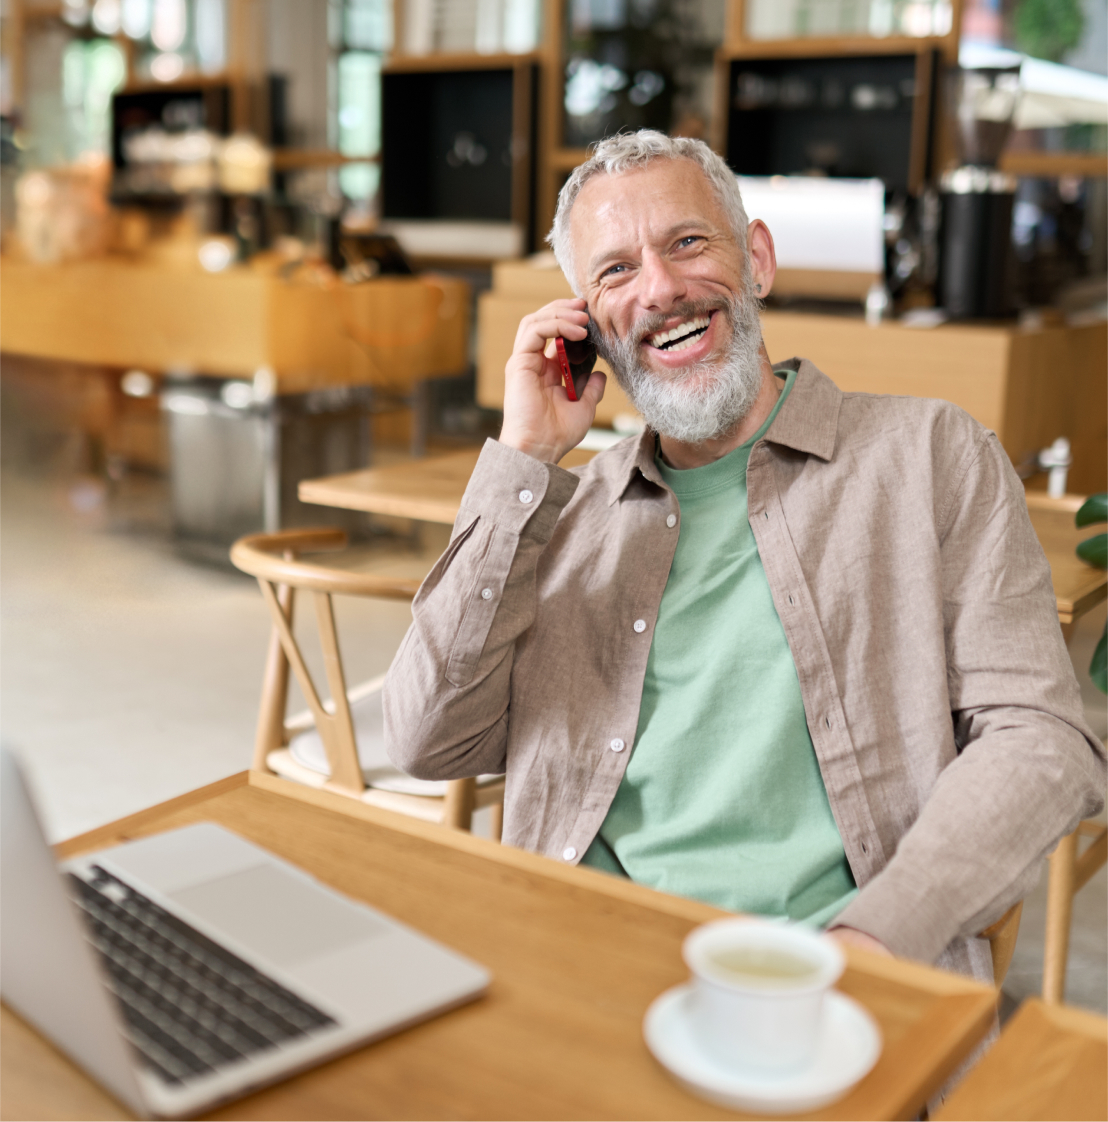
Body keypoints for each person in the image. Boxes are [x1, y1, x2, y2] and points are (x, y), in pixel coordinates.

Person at [382, 130, 1105, 983]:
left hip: (829, 978)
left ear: (756, 259)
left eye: (688, 242)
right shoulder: (557, 510)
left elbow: (1041, 739)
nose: (660, 289)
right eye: (615, 271)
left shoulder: (933, 455)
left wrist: (878, 936)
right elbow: (426, 740)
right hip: (578, 963)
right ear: (587, 326)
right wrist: (524, 457)